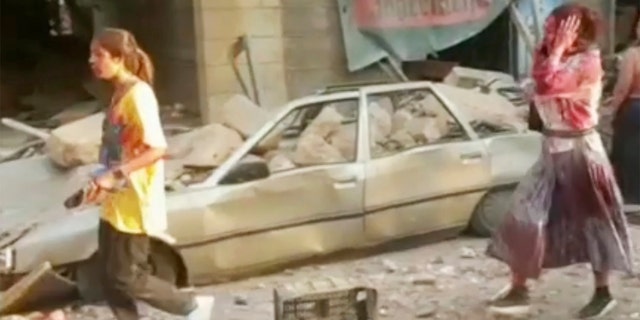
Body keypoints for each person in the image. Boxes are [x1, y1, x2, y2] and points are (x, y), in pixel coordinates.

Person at [485, 4, 633, 319]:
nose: (550, 34)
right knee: (524, 216)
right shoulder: (552, 57)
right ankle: (518, 286)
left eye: (558, 29)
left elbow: (549, 85)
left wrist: (556, 54)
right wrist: (550, 54)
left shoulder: (588, 62)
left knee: (595, 222)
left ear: (577, 32)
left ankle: (602, 292)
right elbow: (539, 85)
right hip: (551, 150)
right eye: (550, 27)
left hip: (581, 150)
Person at [88, 28, 214, 320]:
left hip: (134, 203)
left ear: (118, 58)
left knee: (127, 277)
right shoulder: (118, 93)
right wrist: (99, 179)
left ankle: (191, 307)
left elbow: (157, 149)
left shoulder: (138, 95)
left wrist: (114, 176)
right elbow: (118, 147)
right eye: (91, 54)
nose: (92, 60)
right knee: (109, 279)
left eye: (99, 55)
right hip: (114, 202)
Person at [609, 14, 640, 208]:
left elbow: (623, 87)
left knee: (628, 152)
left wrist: (612, 110)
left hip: (635, 107)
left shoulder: (633, 55)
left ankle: (631, 199)